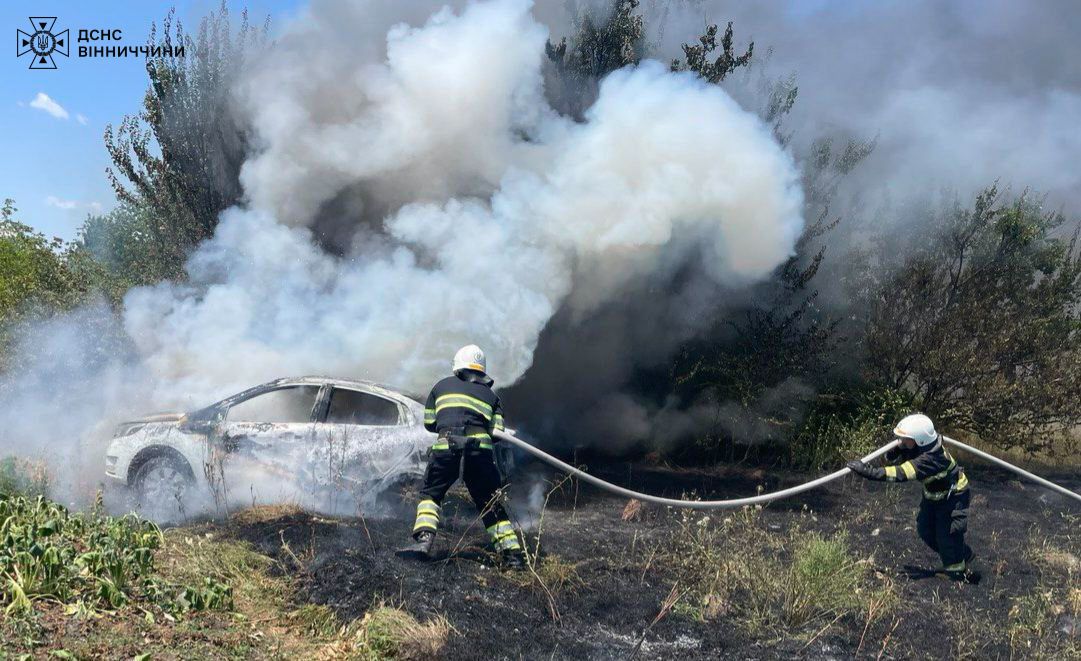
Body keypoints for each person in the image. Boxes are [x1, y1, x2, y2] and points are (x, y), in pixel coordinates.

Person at [398, 344, 526, 569]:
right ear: (481, 371)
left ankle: (423, 543)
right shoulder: (492, 396)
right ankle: (512, 557)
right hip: (479, 453)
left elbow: (430, 423)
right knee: (490, 503)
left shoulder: (441, 387)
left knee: (431, 494)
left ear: (458, 366)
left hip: (446, 448)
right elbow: (497, 433)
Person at [847, 413, 978, 583]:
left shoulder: (932, 458)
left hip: (952, 498)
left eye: (906, 439)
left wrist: (869, 472)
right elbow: (904, 455)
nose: (902, 442)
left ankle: (957, 575)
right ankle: (963, 555)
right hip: (933, 496)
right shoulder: (921, 447)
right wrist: (896, 452)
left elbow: (901, 473)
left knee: (947, 536)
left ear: (920, 440)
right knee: (926, 530)